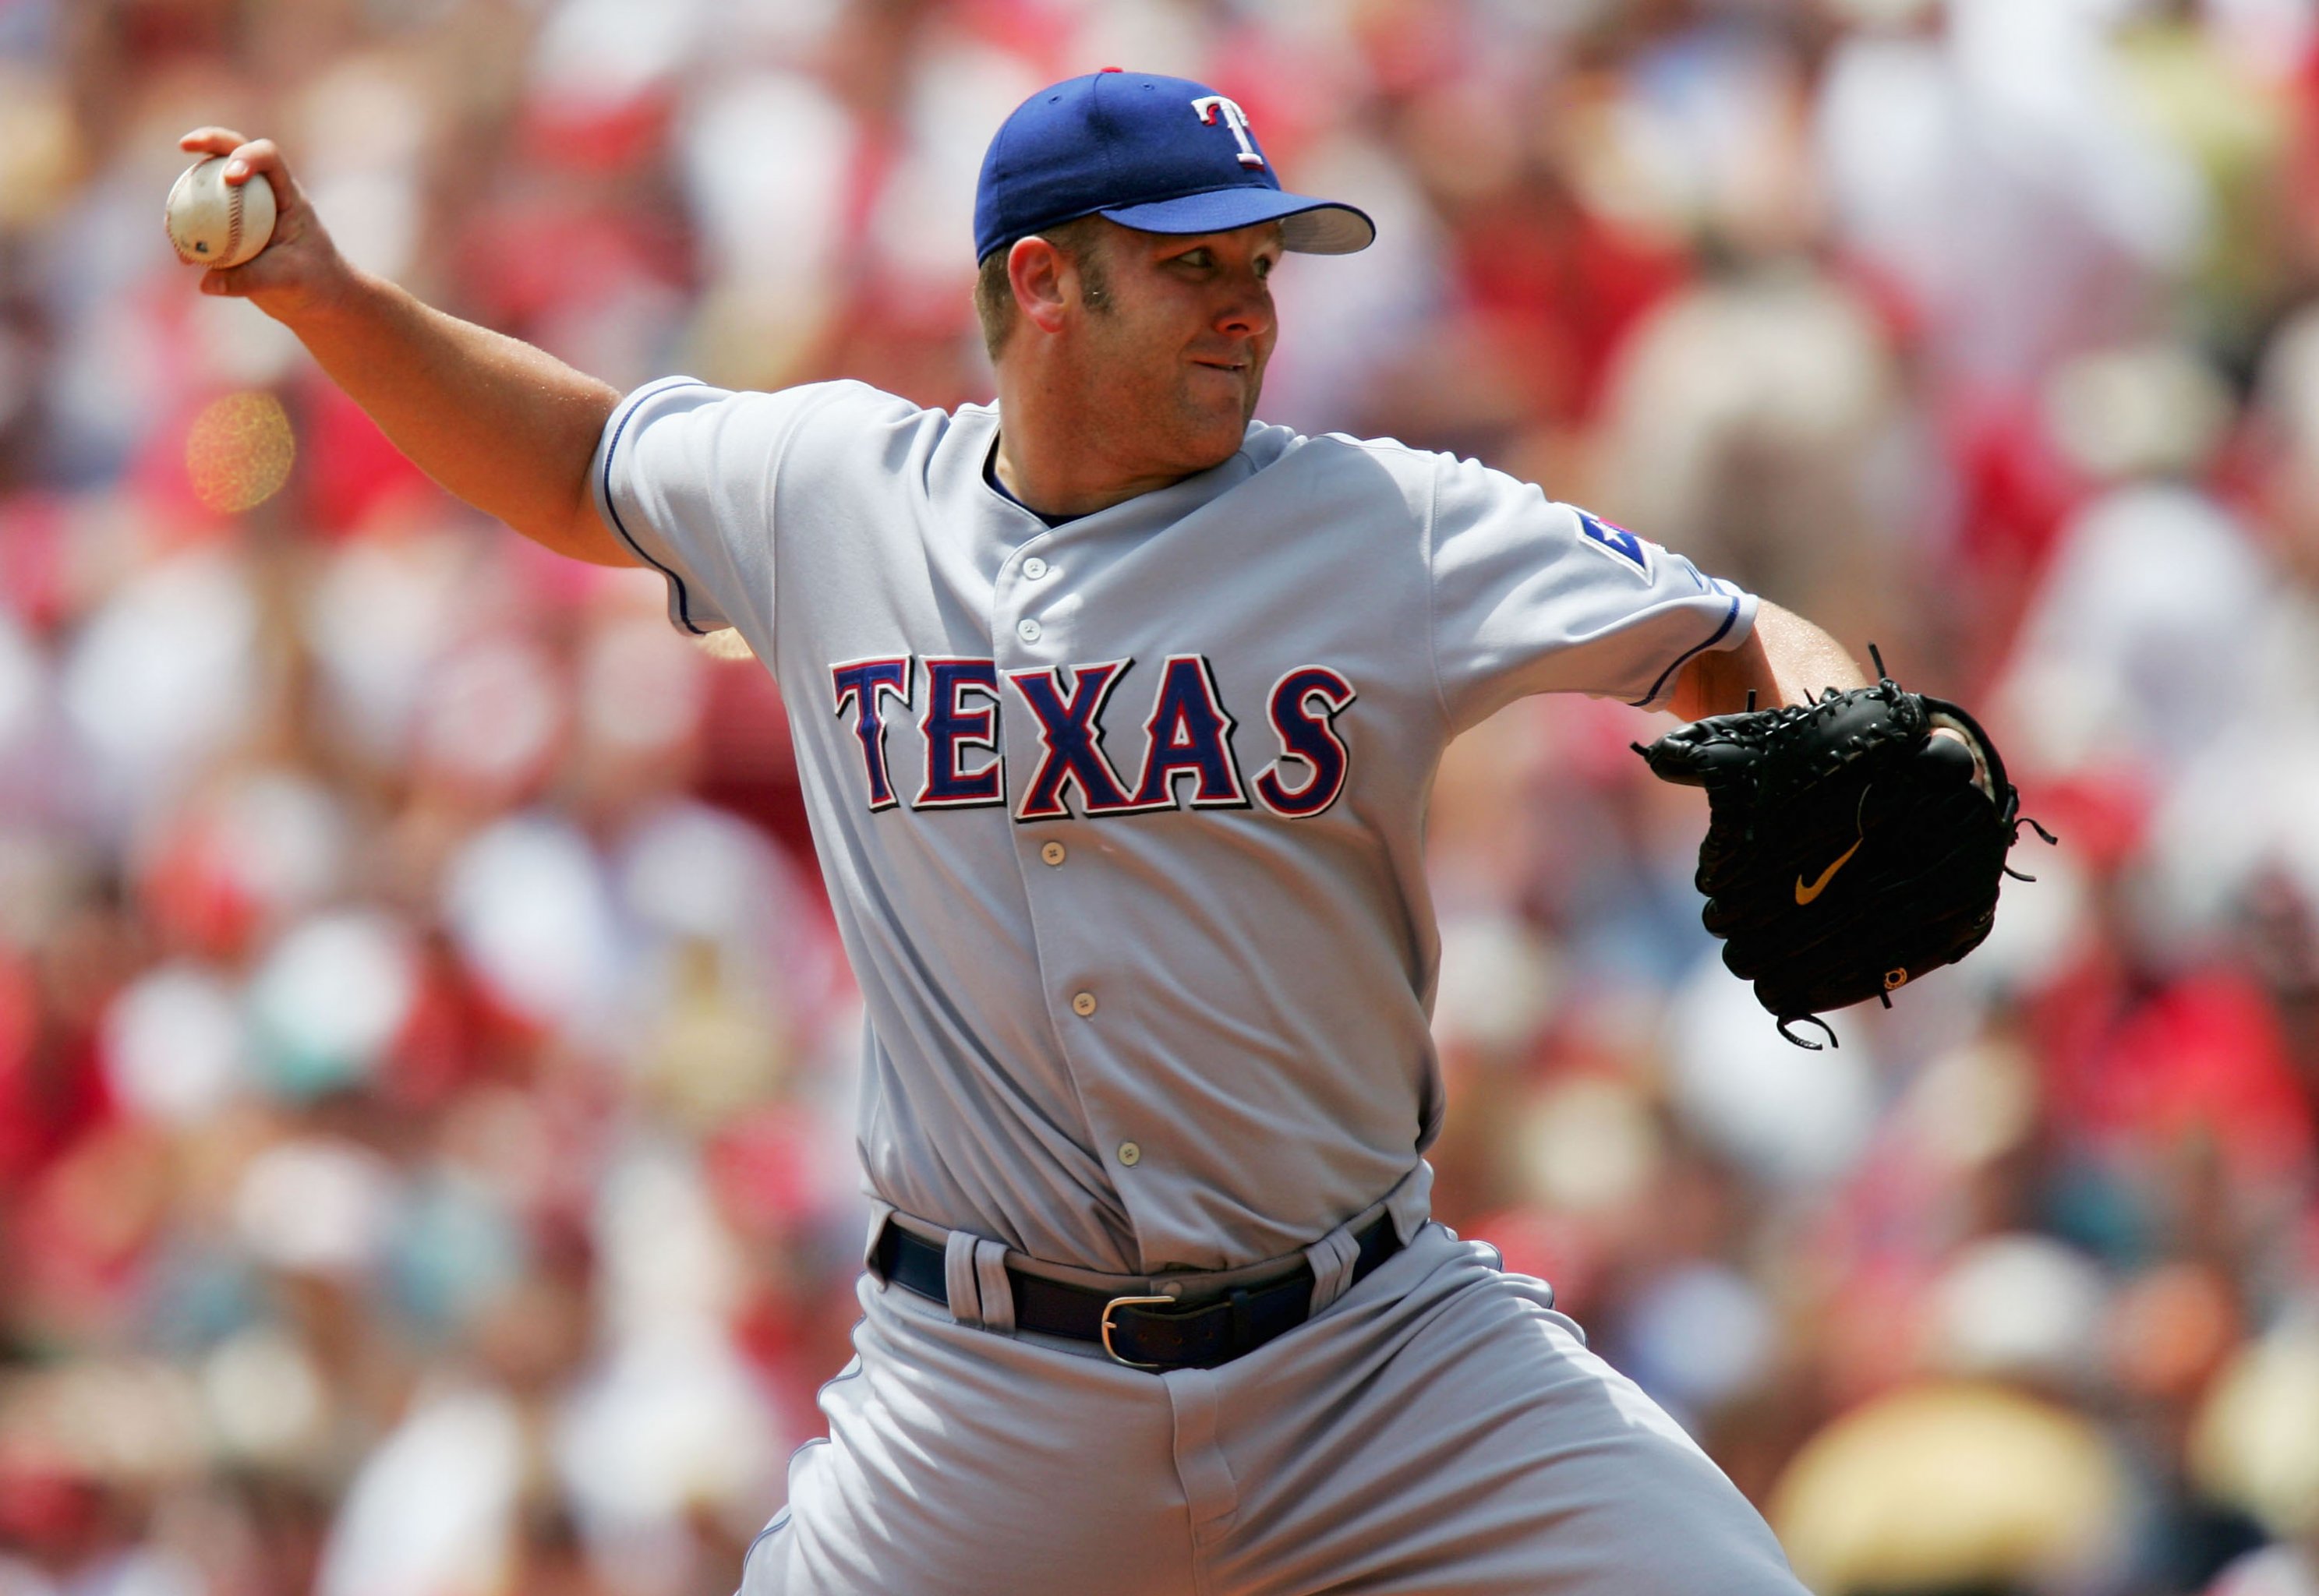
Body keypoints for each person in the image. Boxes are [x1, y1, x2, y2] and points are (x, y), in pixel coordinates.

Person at [182, 69, 1857, 1595]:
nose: (1250, 311)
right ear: (1044, 282)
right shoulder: (828, 494)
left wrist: (1843, 729)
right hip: (987, 1398)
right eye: (1196, 265)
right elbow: (575, 462)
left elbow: (1725, 628)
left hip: (1375, 1365)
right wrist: (329, 300)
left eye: (1263, 268)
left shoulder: (1380, 522)